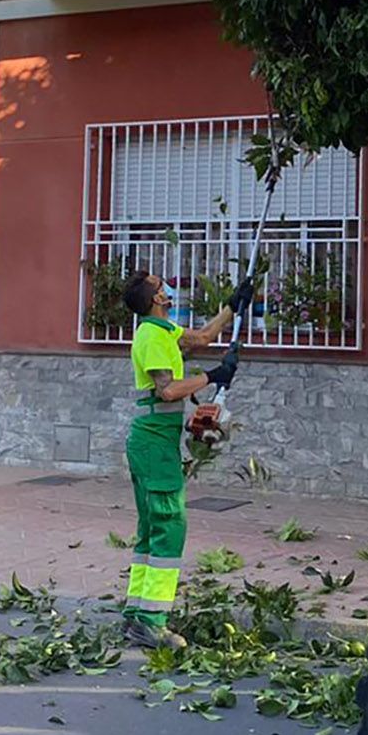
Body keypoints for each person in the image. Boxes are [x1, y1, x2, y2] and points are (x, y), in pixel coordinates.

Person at [119, 267, 245, 649]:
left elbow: (201, 338)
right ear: (157, 298)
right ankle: (153, 621)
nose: (168, 287)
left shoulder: (161, 331)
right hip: (154, 442)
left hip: (153, 440)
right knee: (170, 526)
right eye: (162, 285)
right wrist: (213, 377)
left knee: (151, 528)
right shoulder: (152, 338)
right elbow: (169, 390)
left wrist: (232, 306)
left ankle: (135, 615)